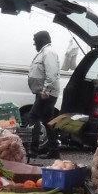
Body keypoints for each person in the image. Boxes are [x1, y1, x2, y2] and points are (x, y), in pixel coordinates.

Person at [27, 30, 60, 159]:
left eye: (35, 42)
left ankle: (33, 150)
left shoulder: (49, 53)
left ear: (41, 41)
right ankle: (54, 150)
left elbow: (51, 73)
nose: (34, 44)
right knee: (47, 121)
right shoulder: (44, 52)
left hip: (47, 93)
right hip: (44, 92)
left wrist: (45, 91)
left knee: (33, 117)